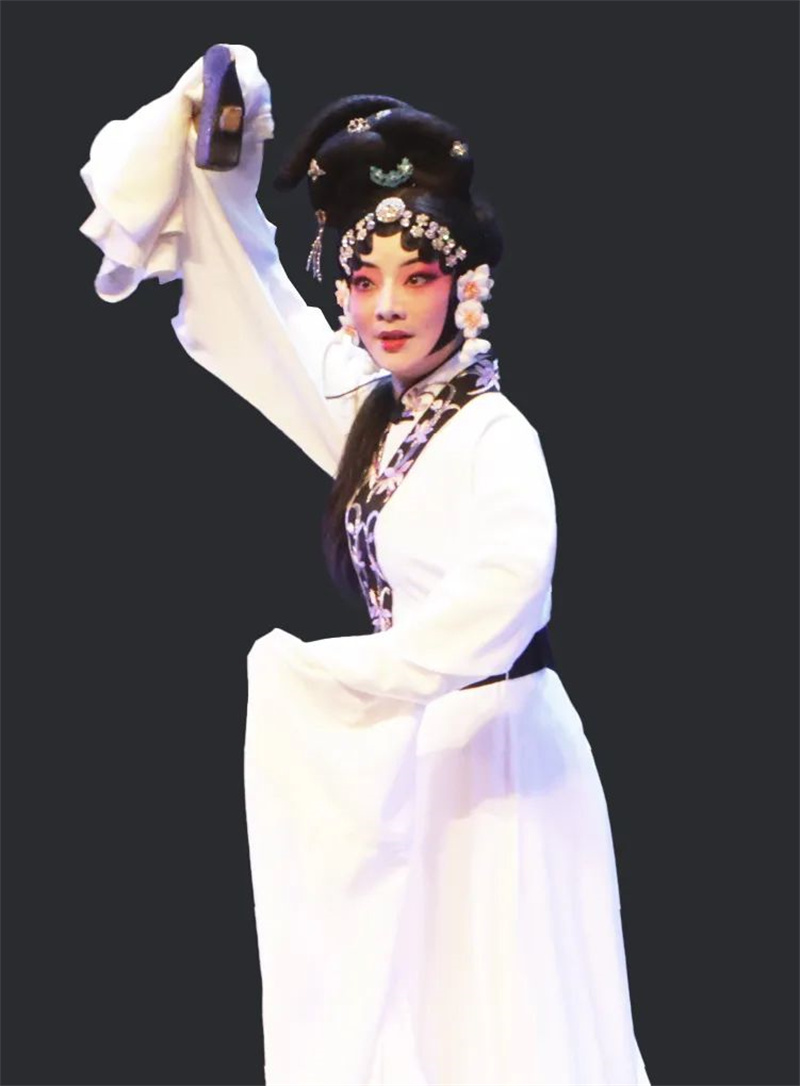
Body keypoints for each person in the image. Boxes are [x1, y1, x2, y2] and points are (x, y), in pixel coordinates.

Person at [80, 44, 651, 1086]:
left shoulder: (495, 437)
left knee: (505, 1025)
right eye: (362, 278)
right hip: (417, 753)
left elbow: (501, 599)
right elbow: (259, 313)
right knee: (413, 1022)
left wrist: (340, 678)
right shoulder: (379, 415)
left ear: (465, 287)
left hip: (502, 761)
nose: (386, 304)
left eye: (415, 278)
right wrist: (222, 141)